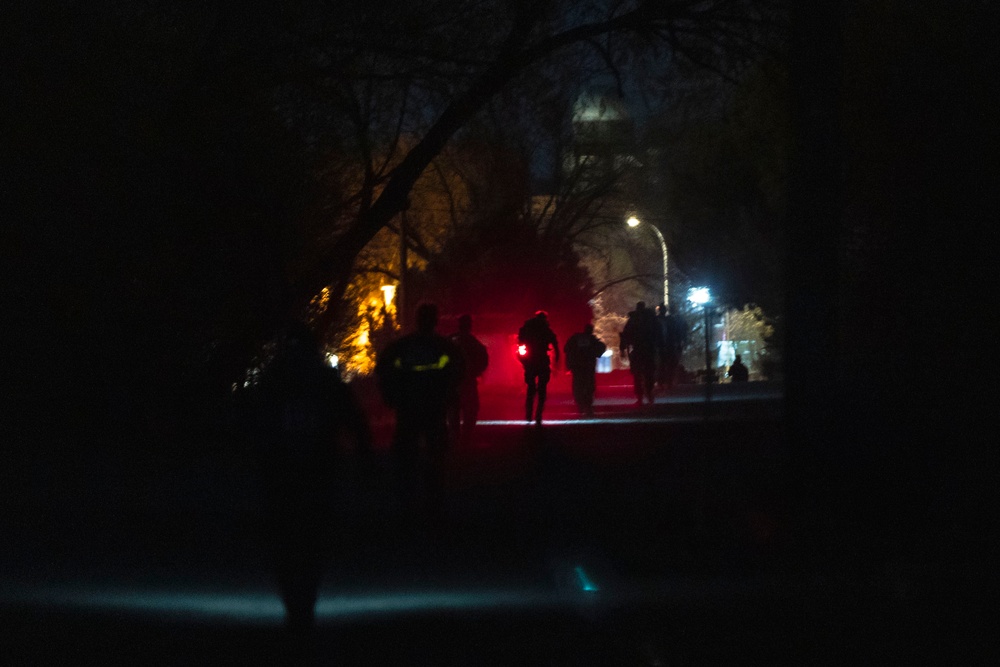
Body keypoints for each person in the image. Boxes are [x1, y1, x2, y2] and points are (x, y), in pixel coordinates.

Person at [254, 320, 374, 636]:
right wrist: (365, 460)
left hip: (284, 474)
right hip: (316, 471)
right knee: (310, 540)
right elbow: (355, 421)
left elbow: (248, 425)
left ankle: (297, 605)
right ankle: (303, 604)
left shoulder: (272, 380)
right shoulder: (324, 380)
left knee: (287, 541)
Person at [376, 303, 463, 522]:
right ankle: (433, 503)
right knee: (435, 456)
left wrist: (390, 396)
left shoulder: (402, 347)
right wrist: (450, 395)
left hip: (409, 409)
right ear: (435, 320)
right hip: (433, 409)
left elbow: (384, 369)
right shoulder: (445, 347)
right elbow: (459, 370)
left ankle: (407, 502)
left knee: (406, 457)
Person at [448, 314, 489, 445]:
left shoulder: (450, 341)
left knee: (454, 409)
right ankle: (465, 436)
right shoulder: (473, 342)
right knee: (471, 409)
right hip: (468, 381)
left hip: (453, 382)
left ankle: (456, 435)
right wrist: (476, 372)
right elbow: (483, 359)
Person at [517, 310, 559, 425]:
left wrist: (523, 361)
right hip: (542, 361)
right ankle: (538, 414)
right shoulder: (546, 329)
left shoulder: (527, 329)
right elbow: (555, 344)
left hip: (530, 361)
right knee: (542, 389)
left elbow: (520, 345)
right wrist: (556, 360)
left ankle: (529, 414)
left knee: (530, 388)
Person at [620, 301, 661, 405]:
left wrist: (622, 348)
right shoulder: (652, 320)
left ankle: (641, 396)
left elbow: (625, 334)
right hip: (649, 350)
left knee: (638, 374)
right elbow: (660, 333)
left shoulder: (633, 320)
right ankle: (648, 394)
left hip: (638, 350)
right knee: (648, 374)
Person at [563, 323, 606, 417]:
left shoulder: (575, 338)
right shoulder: (592, 340)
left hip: (578, 366)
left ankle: (581, 404)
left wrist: (570, 362)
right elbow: (601, 347)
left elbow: (566, 349)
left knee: (578, 385)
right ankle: (587, 404)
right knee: (588, 385)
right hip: (588, 366)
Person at [657, 301, 688, 392]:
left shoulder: (667, 320)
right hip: (665, 345)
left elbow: (677, 332)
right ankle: (665, 382)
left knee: (667, 364)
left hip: (667, 345)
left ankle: (665, 382)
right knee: (666, 364)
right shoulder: (667, 320)